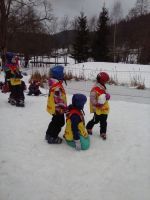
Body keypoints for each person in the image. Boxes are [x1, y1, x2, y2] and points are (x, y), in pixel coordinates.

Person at [45, 65, 67, 144]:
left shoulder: (53, 83)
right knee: (60, 122)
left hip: (53, 107)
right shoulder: (57, 87)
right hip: (58, 109)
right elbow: (59, 100)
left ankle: (48, 134)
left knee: (54, 121)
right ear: (59, 75)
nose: (64, 75)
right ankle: (53, 137)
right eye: (62, 73)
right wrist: (65, 109)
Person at [86, 72, 110, 140]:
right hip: (97, 108)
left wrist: (108, 96)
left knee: (104, 120)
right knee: (96, 120)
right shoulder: (95, 89)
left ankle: (103, 132)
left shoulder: (103, 86)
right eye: (105, 81)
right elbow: (92, 98)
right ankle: (88, 127)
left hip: (104, 107)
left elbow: (106, 93)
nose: (106, 82)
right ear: (101, 80)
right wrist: (96, 104)